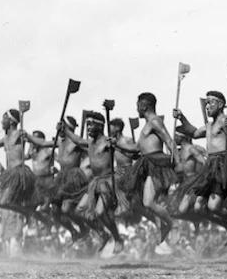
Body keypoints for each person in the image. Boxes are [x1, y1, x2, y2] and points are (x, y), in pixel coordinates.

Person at [172, 90, 227, 244]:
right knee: (199, 207)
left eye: (210, 103)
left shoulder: (226, 122)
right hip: (210, 167)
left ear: (220, 104)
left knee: (213, 206)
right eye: (206, 103)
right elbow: (194, 133)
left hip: (222, 165)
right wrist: (182, 117)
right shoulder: (209, 125)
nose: (207, 106)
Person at [59, 111, 123, 253]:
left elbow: (126, 150)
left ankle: (117, 238)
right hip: (94, 182)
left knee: (100, 213)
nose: (88, 128)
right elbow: (77, 139)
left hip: (107, 182)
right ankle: (102, 234)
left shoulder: (108, 142)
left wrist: (118, 145)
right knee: (80, 212)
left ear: (100, 127)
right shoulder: (89, 143)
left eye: (90, 125)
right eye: (87, 125)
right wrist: (65, 130)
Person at [121, 92, 179, 243]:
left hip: (157, 164)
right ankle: (164, 225)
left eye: (137, 106)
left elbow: (169, 141)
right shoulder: (148, 124)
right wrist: (115, 144)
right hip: (146, 164)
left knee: (148, 202)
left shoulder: (155, 122)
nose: (136, 109)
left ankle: (173, 225)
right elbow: (136, 149)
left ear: (143, 106)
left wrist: (178, 165)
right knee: (141, 201)